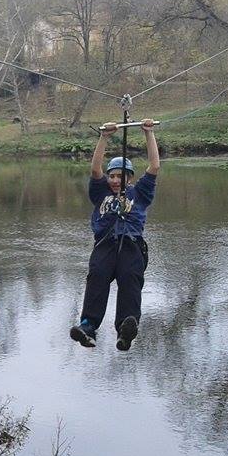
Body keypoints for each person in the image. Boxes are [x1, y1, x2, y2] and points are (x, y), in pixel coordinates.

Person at [70, 118, 160, 351]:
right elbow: (95, 169)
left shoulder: (140, 193)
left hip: (131, 244)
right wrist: (104, 137)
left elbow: (154, 166)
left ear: (129, 178)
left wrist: (148, 133)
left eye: (120, 176)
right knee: (97, 275)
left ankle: (126, 328)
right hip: (105, 244)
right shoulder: (100, 193)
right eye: (112, 176)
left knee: (130, 278)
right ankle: (88, 326)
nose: (115, 180)